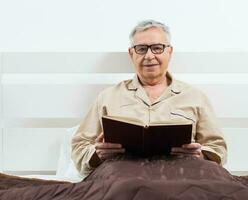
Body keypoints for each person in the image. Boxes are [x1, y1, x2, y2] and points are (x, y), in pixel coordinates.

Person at [71, 20, 227, 176]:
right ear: (132, 54)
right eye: (141, 49)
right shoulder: (108, 97)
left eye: (157, 48)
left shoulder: (195, 97)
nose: (149, 56)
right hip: (121, 179)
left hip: (180, 177)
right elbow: (80, 146)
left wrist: (200, 155)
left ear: (170, 52)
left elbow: (217, 147)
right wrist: (97, 154)